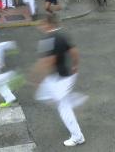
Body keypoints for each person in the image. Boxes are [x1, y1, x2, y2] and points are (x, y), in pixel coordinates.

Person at [33, 14, 87, 147]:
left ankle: (77, 137)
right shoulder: (63, 35)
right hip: (67, 75)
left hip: (59, 78)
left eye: (42, 24)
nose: (40, 26)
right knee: (47, 96)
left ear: (48, 24)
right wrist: (75, 65)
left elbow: (48, 61)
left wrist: (38, 76)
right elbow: (74, 51)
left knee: (63, 107)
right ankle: (70, 98)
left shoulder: (47, 39)